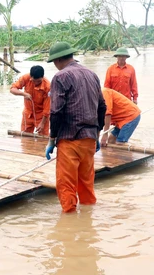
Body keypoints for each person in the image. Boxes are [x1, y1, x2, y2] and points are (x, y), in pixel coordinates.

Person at [44, 42, 106, 213]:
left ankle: (69, 224)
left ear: (57, 60)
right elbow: (102, 106)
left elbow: (56, 112)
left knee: (66, 184)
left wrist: (51, 139)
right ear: (71, 56)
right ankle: (88, 218)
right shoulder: (91, 74)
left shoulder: (60, 77)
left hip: (69, 139)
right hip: (89, 139)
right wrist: (97, 134)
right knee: (86, 182)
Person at [10, 65, 51, 135]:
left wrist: (42, 123)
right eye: (34, 81)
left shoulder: (48, 87)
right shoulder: (25, 78)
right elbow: (12, 89)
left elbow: (47, 108)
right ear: (31, 77)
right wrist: (23, 94)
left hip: (41, 116)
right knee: (24, 137)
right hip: (27, 113)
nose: (36, 83)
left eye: (38, 81)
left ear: (42, 77)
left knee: (43, 139)